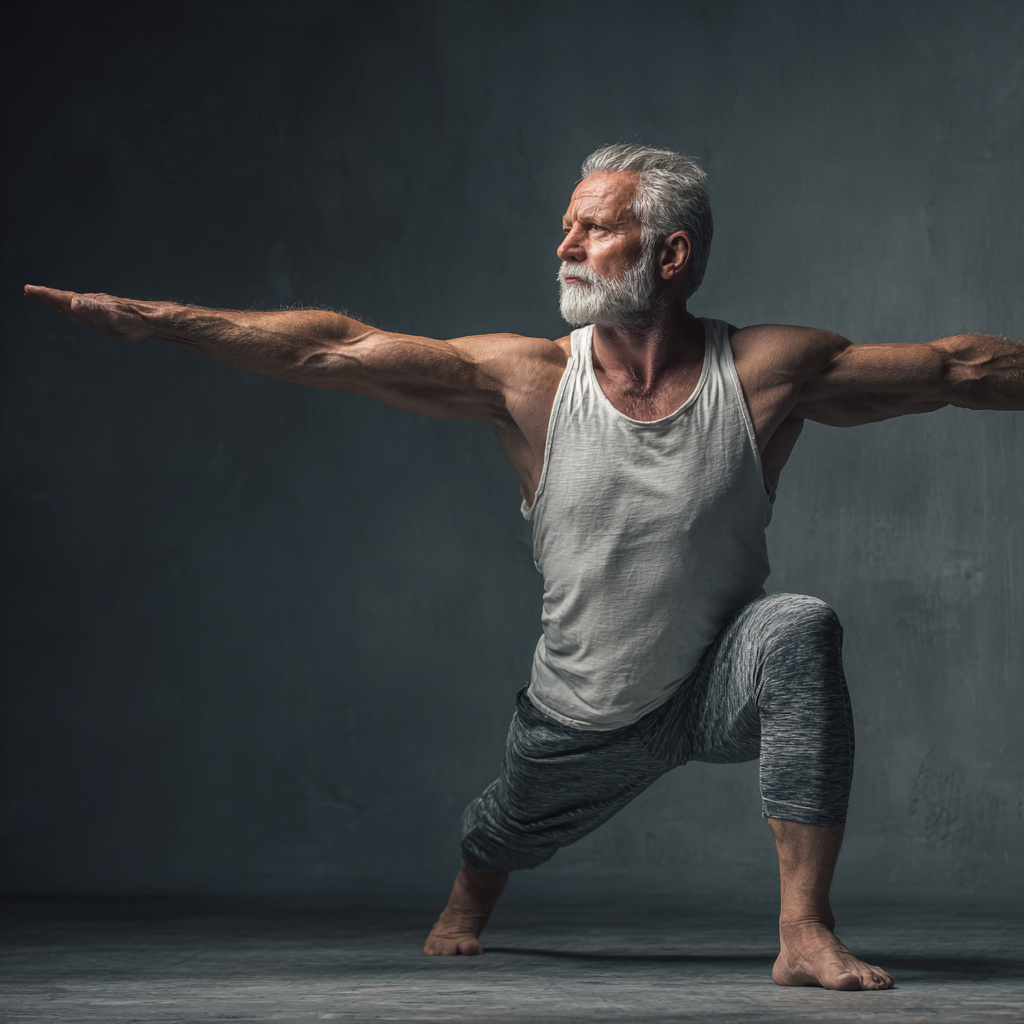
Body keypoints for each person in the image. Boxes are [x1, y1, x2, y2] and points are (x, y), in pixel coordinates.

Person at [24, 144, 1022, 992]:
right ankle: (470, 892)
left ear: (670, 254)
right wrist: (163, 320)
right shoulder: (530, 380)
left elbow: (958, 369)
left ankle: (802, 929)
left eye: (594, 228)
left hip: (719, 678)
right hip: (582, 713)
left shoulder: (764, 371)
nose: (565, 246)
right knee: (505, 828)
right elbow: (335, 350)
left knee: (799, 624)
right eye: (566, 226)